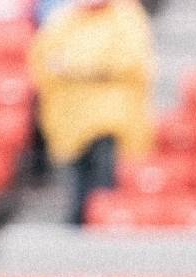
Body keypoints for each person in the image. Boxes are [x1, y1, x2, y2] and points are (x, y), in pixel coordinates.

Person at [27, 0, 154, 227]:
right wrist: (90, 70)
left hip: (110, 118)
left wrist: (76, 68)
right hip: (70, 118)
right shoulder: (63, 19)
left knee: (105, 184)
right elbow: (45, 62)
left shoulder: (126, 16)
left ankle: (103, 223)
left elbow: (129, 61)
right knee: (76, 184)